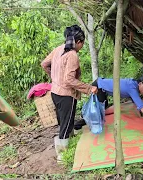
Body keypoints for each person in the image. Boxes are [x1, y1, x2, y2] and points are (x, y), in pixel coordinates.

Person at [41, 25, 98, 164]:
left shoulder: (58, 49)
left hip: (55, 91)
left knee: (64, 120)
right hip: (66, 94)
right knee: (66, 124)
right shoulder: (72, 55)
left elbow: (44, 64)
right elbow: (69, 80)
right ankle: (63, 155)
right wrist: (89, 88)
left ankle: (69, 140)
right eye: (82, 43)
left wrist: (54, 77)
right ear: (78, 42)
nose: (82, 46)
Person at [74, 76, 143, 133]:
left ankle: (82, 118)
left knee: (101, 111)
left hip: (102, 87)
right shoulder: (132, 88)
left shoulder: (133, 85)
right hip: (99, 87)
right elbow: (142, 107)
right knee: (97, 113)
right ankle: (77, 125)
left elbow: (138, 105)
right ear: (140, 83)